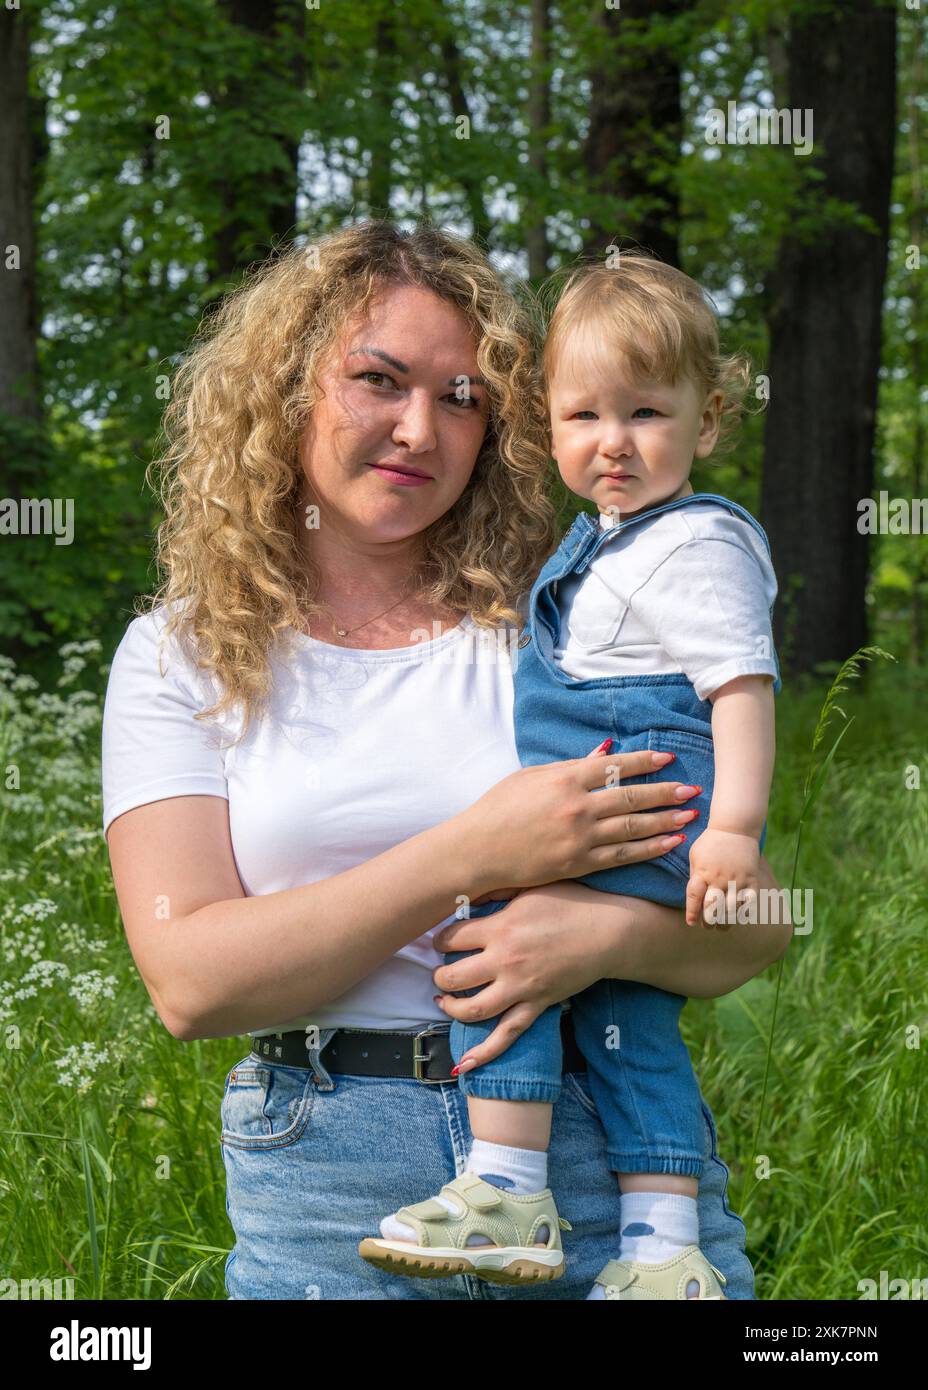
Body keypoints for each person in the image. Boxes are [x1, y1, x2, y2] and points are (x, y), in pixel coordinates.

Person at [101, 220, 792, 1301]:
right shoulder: (183, 653)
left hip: (599, 1155)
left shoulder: (569, 618)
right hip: (327, 1179)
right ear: (286, 390)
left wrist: (602, 934)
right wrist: (469, 850)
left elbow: (757, 920)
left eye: (462, 397)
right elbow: (190, 984)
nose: (418, 428)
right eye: (378, 379)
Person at [361, 254, 780, 1300]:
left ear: (708, 419)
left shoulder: (698, 544)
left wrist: (732, 832)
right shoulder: (610, 540)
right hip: (636, 797)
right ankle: (662, 1245)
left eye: (645, 412)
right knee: (628, 1019)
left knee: (496, 914)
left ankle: (502, 1182)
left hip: (650, 797)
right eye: (582, 416)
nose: (613, 442)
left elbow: (742, 690)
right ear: (546, 425)